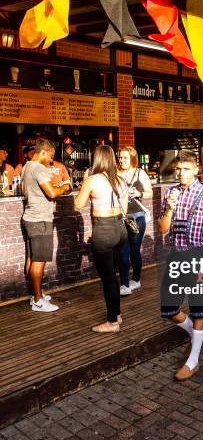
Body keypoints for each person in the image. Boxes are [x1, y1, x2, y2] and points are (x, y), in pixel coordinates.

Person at [158, 149, 203, 381]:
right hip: (176, 256)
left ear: (194, 169)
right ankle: (195, 333)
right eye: (178, 169)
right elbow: (163, 228)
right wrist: (170, 208)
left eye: (185, 169)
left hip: (198, 256)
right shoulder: (170, 193)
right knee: (168, 309)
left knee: (199, 308)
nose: (181, 173)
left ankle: (193, 361)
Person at [75, 145, 128, 333]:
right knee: (113, 275)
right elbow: (125, 209)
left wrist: (84, 183)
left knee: (108, 279)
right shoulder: (120, 180)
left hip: (104, 229)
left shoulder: (92, 179)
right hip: (120, 229)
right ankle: (117, 314)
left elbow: (78, 204)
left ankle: (112, 322)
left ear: (96, 159)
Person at [21, 139, 71, 312]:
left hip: (30, 218)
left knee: (32, 258)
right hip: (40, 220)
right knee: (39, 261)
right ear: (43, 152)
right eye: (50, 156)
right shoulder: (39, 168)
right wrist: (65, 186)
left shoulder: (27, 166)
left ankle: (37, 294)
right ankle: (37, 301)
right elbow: (51, 193)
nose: (51, 161)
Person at [117, 146, 153, 295]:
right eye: (120, 157)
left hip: (137, 217)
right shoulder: (116, 173)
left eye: (125, 157)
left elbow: (150, 193)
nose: (122, 160)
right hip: (120, 217)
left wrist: (138, 193)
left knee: (134, 250)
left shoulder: (140, 173)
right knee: (122, 250)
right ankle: (125, 284)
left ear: (132, 158)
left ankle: (136, 279)